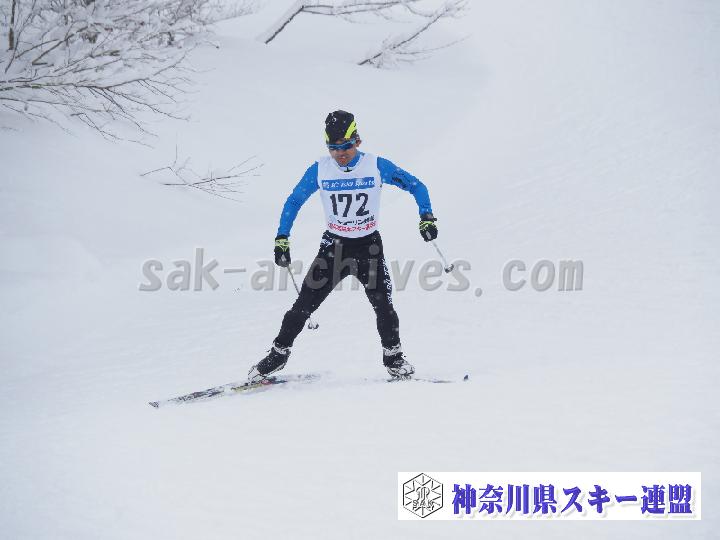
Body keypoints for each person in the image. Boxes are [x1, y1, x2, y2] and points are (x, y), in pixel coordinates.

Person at [248, 110, 438, 382]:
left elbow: (417, 186)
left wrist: (426, 216)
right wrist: (282, 237)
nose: (340, 154)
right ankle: (278, 354)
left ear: (357, 141)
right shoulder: (320, 169)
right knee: (304, 304)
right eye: (333, 148)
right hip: (334, 248)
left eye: (346, 146)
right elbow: (294, 201)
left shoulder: (376, 165)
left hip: (368, 247)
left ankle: (394, 358)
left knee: (383, 305)